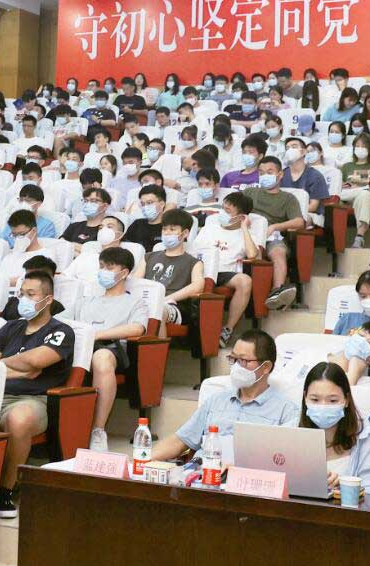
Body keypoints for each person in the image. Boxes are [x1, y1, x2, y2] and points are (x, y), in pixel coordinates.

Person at [0, 273, 76, 518]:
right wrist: (21, 370)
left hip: (34, 400)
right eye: (21, 294)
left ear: (48, 299)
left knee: (19, 420)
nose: (23, 299)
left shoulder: (61, 331)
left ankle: (6, 490)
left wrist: (6, 364)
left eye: (31, 294)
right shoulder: (10, 327)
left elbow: (37, 361)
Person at [149, 329, 299, 464]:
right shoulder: (216, 400)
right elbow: (180, 440)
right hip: (203, 474)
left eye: (244, 361)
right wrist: (143, 460)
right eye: (233, 359)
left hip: (246, 479)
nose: (236, 366)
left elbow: (282, 461)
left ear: (266, 367)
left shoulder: (285, 411)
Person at [65, 248, 150, 450]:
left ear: (124, 273)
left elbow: (137, 328)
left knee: (101, 357)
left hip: (112, 349)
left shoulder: (135, 302)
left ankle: (98, 429)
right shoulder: (85, 301)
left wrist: (97, 334)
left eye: (109, 268)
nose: (103, 271)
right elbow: (61, 322)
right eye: (101, 266)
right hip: (79, 348)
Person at [300, 361, 370, 497]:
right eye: (315, 400)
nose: (323, 406)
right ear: (305, 397)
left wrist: (343, 488)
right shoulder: (289, 432)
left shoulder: (367, 439)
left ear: (346, 400)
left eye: (333, 401)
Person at [192, 191, 259, 346]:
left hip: (225, 272)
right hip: (203, 269)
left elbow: (252, 255)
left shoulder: (246, 235)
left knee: (245, 281)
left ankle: (227, 329)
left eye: (227, 211)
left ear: (241, 216)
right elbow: (195, 252)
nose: (222, 213)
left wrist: (244, 228)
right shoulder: (209, 228)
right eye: (222, 208)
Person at [243, 156, 304, 309]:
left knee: (278, 252)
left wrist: (276, 226)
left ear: (280, 174)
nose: (265, 176)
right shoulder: (249, 192)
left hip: (271, 235)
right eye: (261, 173)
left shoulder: (288, 198)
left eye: (269, 172)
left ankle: (277, 292)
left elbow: (299, 222)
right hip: (247, 232)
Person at [143, 209, 205, 337]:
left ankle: (157, 350)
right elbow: (135, 281)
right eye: (164, 229)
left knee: (157, 310)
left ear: (185, 233)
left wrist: (165, 299)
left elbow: (198, 286)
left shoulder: (193, 262)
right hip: (146, 300)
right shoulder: (148, 257)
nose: (167, 233)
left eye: (172, 229)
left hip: (174, 305)